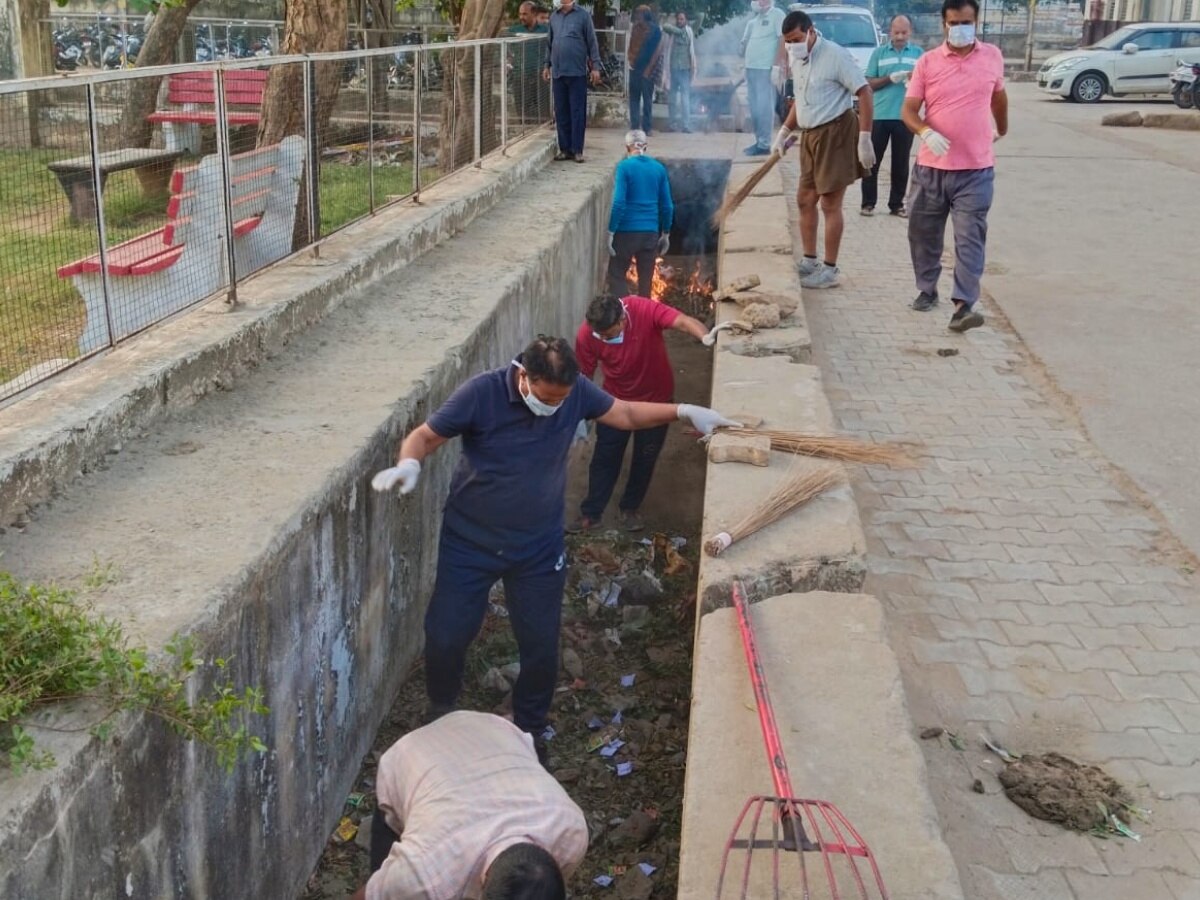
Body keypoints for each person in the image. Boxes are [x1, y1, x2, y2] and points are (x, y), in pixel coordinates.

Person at [372, 337, 735, 752]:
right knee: (446, 635)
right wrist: (409, 464)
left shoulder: (575, 391)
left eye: (563, 400)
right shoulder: (482, 393)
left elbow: (626, 412)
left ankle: (530, 726)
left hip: (537, 549)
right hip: (470, 542)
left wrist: (684, 410)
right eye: (548, 398)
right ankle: (441, 709)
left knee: (542, 645)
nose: (556, 407)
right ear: (525, 377)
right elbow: (425, 436)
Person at [351, 711, 588, 900]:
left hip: (490, 732)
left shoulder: (570, 834)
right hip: (411, 757)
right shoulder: (424, 876)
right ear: (483, 884)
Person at [570, 293, 722, 533]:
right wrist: (578, 413)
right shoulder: (587, 335)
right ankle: (591, 513)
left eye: (610, 334)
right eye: (601, 336)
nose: (605, 339)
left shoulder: (642, 309)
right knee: (604, 458)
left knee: (646, 457)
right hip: (615, 402)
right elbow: (583, 376)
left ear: (623, 319)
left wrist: (705, 336)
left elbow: (681, 321)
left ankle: (629, 508)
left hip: (656, 400)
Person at [901, 0, 1007, 333]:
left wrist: (1001, 129)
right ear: (944, 24)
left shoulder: (992, 56)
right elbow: (909, 110)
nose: (960, 27)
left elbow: (999, 98)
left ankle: (963, 305)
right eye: (954, 22)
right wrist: (925, 131)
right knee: (922, 235)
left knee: (970, 237)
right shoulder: (927, 63)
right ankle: (926, 288)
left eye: (967, 21)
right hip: (931, 168)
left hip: (975, 171)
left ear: (976, 22)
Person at [773, 9, 875, 290]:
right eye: (787, 41)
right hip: (809, 136)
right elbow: (801, 101)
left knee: (830, 203)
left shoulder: (836, 55)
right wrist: (784, 131)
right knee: (805, 200)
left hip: (836, 134)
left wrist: (865, 137)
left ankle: (830, 270)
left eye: (796, 38)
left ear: (811, 31)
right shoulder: (797, 57)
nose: (792, 45)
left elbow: (865, 92)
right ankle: (810, 260)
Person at [860, 16, 922, 217]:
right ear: (890, 31)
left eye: (904, 32)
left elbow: (927, 82)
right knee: (872, 160)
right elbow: (869, 82)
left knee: (901, 162)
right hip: (879, 114)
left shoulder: (919, 54)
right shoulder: (879, 53)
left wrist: (913, 81)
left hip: (905, 116)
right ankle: (868, 203)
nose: (900, 36)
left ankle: (896, 204)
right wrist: (889, 78)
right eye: (896, 32)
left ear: (910, 31)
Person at [606, 129, 673, 299]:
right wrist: (666, 233)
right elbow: (667, 206)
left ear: (627, 148)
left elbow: (619, 202)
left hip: (625, 233)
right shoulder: (658, 169)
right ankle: (644, 318)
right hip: (650, 233)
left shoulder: (624, 167)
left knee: (616, 275)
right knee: (646, 283)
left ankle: (625, 312)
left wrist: (611, 231)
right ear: (646, 146)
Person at [544, 0, 601, 163]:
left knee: (577, 112)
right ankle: (565, 149)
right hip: (558, 72)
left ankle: (577, 150)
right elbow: (549, 43)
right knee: (561, 112)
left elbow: (592, 42)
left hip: (577, 72)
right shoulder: (554, 17)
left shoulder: (583, 16)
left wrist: (595, 67)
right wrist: (546, 65)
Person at [740, 0, 786, 156]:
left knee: (764, 107)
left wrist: (776, 66)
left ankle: (764, 143)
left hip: (765, 69)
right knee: (754, 107)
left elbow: (782, 39)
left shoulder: (777, 15)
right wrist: (745, 66)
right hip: (751, 68)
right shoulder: (756, 19)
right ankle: (758, 140)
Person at [507, 1, 549, 124]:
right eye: (520, 14)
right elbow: (506, 51)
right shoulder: (514, 30)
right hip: (520, 77)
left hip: (540, 77)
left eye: (525, 14)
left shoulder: (545, 30)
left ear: (534, 13)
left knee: (543, 112)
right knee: (522, 113)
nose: (521, 17)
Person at [627, 6, 664, 135]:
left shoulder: (655, 31)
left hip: (647, 70)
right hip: (635, 68)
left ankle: (647, 128)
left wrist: (648, 70)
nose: (637, 16)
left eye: (639, 13)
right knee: (634, 99)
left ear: (646, 15)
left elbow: (657, 52)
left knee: (647, 100)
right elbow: (631, 45)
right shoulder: (635, 28)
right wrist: (630, 60)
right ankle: (635, 127)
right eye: (637, 13)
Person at [662, 11, 698, 133]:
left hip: (685, 70)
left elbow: (701, 15)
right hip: (673, 70)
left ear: (686, 20)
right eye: (678, 19)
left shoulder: (689, 31)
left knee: (685, 99)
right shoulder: (672, 31)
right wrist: (678, 30)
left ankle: (686, 125)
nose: (680, 21)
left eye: (682, 19)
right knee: (672, 99)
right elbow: (664, 26)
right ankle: (672, 124)